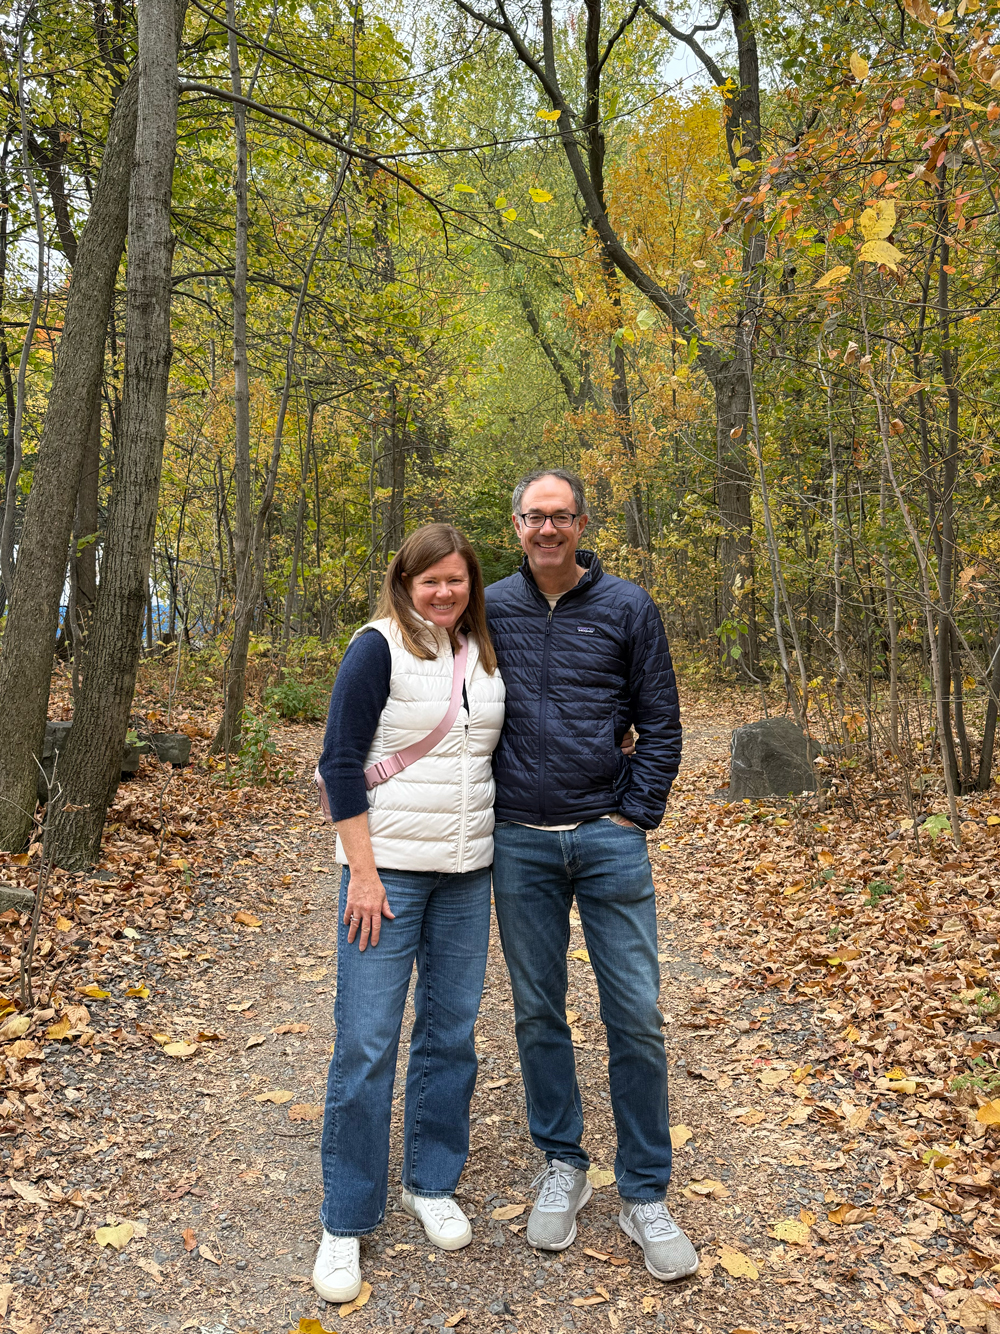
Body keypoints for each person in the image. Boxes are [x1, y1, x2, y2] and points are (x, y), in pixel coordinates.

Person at [484, 468, 697, 1282]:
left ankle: (645, 1191)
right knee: (539, 1012)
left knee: (635, 1014)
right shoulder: (488, 608)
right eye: (534, 517)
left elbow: (663, 725)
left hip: (607, 842)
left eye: (560, 516)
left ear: (581, 524)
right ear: (516, 525)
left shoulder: (628, 608)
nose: (547, 530)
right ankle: (562, 1165)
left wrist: (633, 814)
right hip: (520, 844)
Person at [311, 523, 505, 1304]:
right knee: (365, 1043)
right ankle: (345, 1219)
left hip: (467, 874)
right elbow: (338, 762)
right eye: (431, 581)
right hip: (386, 875)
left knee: (451, 1034)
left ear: (471, 584)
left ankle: (431, 1182)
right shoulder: (377, 647)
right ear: (405, 581)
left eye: (456, 580)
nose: (444, 592)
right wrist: (360, 872)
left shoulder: (487, 651)